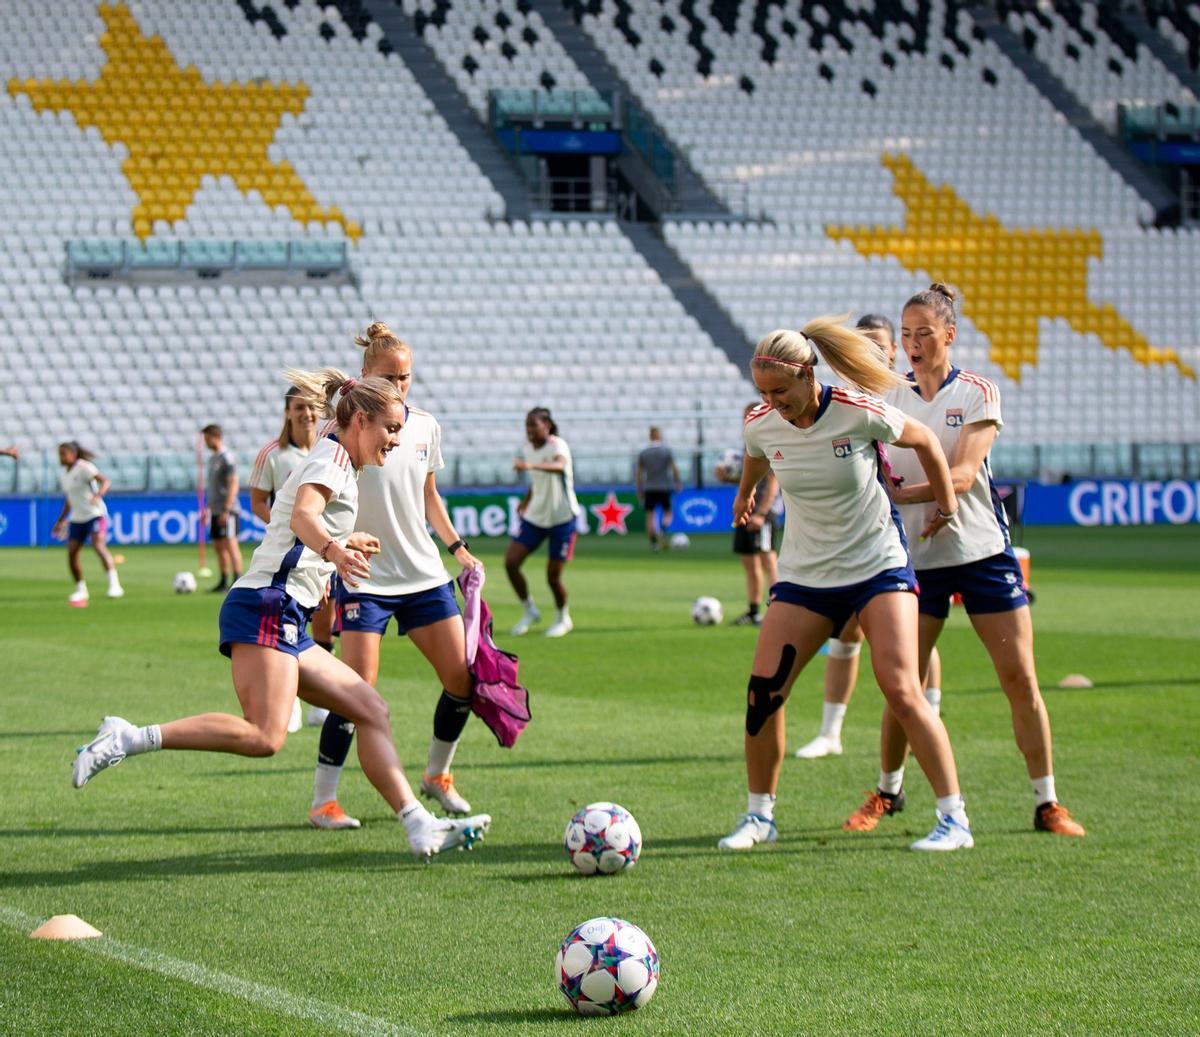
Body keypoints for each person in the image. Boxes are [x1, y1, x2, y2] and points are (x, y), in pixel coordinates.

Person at [71, 367, 491, 858]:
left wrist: (339, 543)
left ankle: (419, 823)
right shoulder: (335, 457)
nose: (397, 440)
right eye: (391, 429)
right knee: (264, 735)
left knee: (370, 709)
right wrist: (335, 550)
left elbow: (296, 525)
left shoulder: (341, 461)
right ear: (359, 421)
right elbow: (301, 517)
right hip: (268, 606)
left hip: (284, 614)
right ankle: (127, 736)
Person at [718, 318, 974, 853]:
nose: (772, 403)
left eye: (780, 391)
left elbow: (926, 439)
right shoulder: (763, 423)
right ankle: (759, 816)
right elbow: (757, 455)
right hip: (806, 577)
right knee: (763, 695)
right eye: (762, 393)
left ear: (808, 374)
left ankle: (954, 819)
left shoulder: (858, 411)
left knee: (902, 688)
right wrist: (746, 496)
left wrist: (946, 505)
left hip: (877, 568)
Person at [844, 284, 1084, 837]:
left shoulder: (977, 392)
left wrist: (904, 495)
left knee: (1020, 678)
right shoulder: (889, 395)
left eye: (923, 334)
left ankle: (1047, 803)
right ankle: (888, 792)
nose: (912, 345)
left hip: (981, 553)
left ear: (950, 335)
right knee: (902, 686)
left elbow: (964, 474)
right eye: (905, 336)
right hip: (914, 560)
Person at [307, 322, 486, 830]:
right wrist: (326, 560)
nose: (401, 385)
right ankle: (324, 800)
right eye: (391, 376)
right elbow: (322, 505)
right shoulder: (337, 432)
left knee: (463, 680)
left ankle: (437, 775)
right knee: (356, 689)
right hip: (365, 577)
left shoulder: (426, 426)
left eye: (406, 377)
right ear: (366, 376)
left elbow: (429, 497)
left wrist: (458, 549)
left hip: (424, 574)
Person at [794, 313, 942, 759]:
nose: (874, 352)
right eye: (865, 344)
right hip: (864, 530)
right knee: (847, 634)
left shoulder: (911, 396)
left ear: (895, 349)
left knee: (916, 632)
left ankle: (927, 716)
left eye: (881, 344)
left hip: (913, 526)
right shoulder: (849, 397)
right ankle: (830, 731)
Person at [249, 386, 327, 734]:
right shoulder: (273, 454)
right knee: (291, 624)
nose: (307, 414)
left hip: (325, 554)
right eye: (299, 408)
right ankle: (290, 698)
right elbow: (257, 502)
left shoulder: (330, 449)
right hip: (290, 557)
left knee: (324, 625)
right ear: (287, 412)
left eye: (312, 407)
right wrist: (284, 530)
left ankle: (319, 702)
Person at [506, 408, 579, 639]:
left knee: (552, 576)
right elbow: (537, 481)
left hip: (562, 518)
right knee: (511, 562)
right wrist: (526, 501)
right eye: (526, 426)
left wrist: (529, 467)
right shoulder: (529, 450)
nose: (529, 430)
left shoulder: (558, 446)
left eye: (533, 425)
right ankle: (529, 610)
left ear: (546, 425)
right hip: (536, 517)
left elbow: (558, 466)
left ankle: (563, 618)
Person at [714, 407, 779, 626]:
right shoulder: (749, 442)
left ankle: (780, 610)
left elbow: (772, 481)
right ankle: (753, 612)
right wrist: (727, 479)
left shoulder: (767, 440)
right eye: (744, 417)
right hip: (746, 511)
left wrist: (761, 513)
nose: (746, 421)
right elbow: (750, 481)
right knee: (749, 563)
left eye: (749, 416)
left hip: (761, 513)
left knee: (768, 560)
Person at [52, 441, 123, 605]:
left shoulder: (84, 467)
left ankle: (115, 585)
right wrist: (61, 521)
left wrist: (98, 495)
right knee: (72, 553)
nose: (60, 457)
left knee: (98, 545)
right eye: (59, 454)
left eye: (63, 454)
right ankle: (81, 590)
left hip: (95, 514)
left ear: (73, 454)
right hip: (77, 518)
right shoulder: (65, 476)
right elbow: (69, 501)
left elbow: (105, 481)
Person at [202, 424, 243, 593]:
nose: (205, 442)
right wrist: (208, 508)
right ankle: (223, 579)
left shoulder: (227, 458)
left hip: (227, 510)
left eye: (206, 438)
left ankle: (238, 579)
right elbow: (213, 487)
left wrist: (227, 508)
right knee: (219, 545)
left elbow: (233, 483)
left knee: (231, 543)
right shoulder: (213, 459)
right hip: (216, 509)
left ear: (214, 436)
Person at [635, 426, 681, 551]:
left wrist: (639, 488)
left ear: (650, 436)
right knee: (667, 512)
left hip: (649, 487)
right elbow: (674, 468)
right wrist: (677, 482)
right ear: (659, 436)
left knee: (650, 515)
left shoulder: (644, 453)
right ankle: (663, 529)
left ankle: (654, 543)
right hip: (664, 487)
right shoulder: (666, 451)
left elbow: (639, 472)